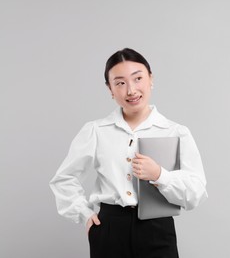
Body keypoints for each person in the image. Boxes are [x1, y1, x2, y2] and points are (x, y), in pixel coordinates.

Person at [49, 48, 208, 258]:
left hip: (157, 230)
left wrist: (160, 175)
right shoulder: (96, 131)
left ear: (151, 79)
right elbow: (64, 178)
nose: (131, 90)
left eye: (138, 78)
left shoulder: (176, 132)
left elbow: (195, 194)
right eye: (120, 83)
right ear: (110, 89)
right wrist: (84, 214)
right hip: (109, 229)